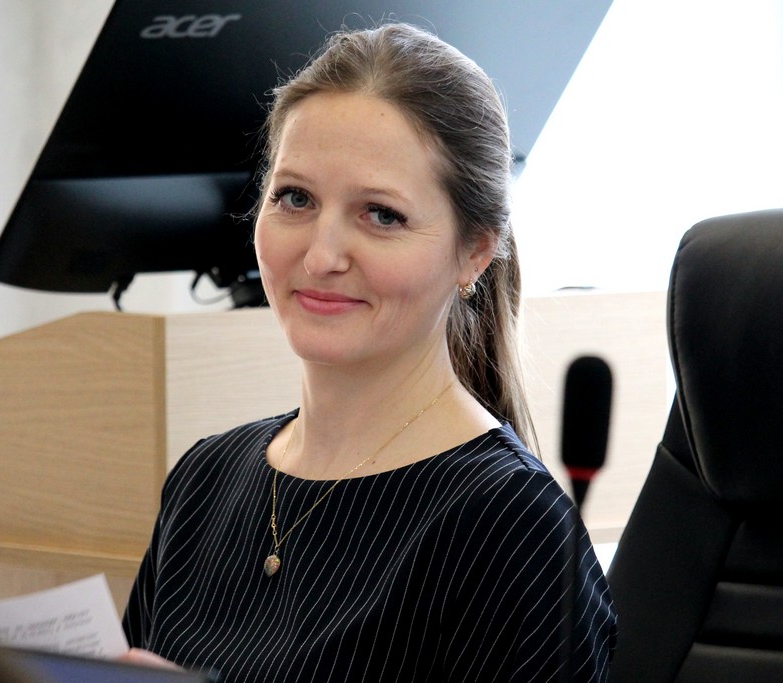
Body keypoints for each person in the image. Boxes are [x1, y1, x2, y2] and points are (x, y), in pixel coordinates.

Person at [122, 22, 617, 681]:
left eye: (381, 214)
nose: (321, 256)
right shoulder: (204, 479)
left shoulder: (514, 526)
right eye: (295, 198)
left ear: (474, 251)